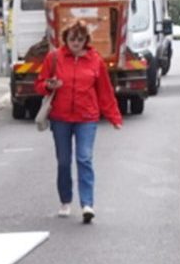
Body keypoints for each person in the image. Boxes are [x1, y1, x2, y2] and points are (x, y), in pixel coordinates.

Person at [43, 20, 123, 222]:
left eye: (80, 39)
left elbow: (105, 91)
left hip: (86, 117)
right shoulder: (54, 58)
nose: (76, 43)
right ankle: (65, 200)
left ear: (86, 40)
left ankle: (87, 204)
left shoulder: (95, 61)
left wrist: (114, 116)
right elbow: (40, 84)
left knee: (84, 158)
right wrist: (49, 85)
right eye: (72, 39)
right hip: (60, 117)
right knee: (63, 161)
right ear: (65, 40)